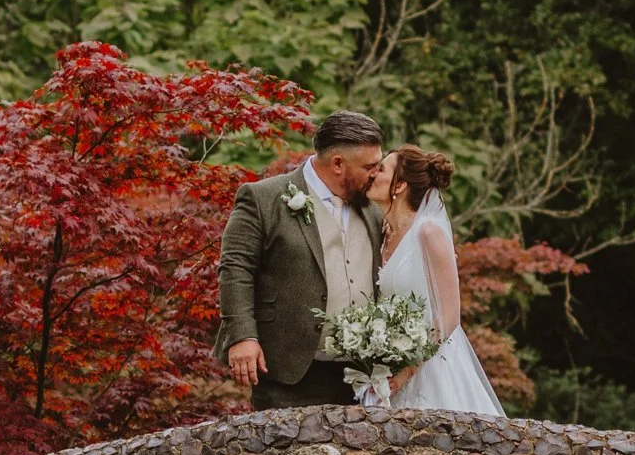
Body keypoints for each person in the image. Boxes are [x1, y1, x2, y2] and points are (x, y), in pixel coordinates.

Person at [216, 109, 385, 409]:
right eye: (370, 166)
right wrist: (242, 336)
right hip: (287, 370)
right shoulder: (264, 198)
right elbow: (235, 268)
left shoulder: (373, 208)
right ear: (337, 164)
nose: (377, 173)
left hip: (360, 376)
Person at [369, 144, 507, 416]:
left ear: (399, 186)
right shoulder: (382, 233)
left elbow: (450, 317)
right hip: (387, 367)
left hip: (431, 368)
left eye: (382, 168)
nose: (373, 173)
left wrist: (407, 371)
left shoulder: (428, 232)